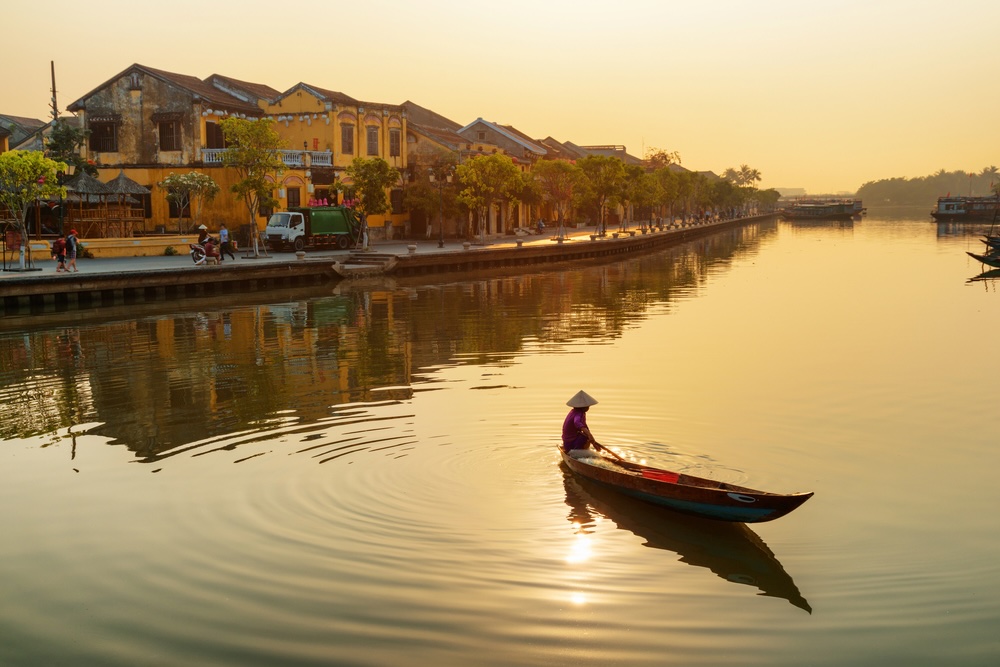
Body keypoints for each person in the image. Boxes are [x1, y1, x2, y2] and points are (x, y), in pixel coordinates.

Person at [562, 390, 601, 457]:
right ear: (584, 407)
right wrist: (589, 436)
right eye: (588, 406)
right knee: (584, 437)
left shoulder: (573, 412)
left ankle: (578, 452)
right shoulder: (578, 414)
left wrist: (593, 442)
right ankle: (575, 454)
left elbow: (585, 427)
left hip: (568, 442)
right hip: (570, 444)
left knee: (585, 435)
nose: (588, 408)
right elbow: (577, 423)